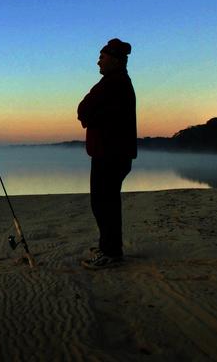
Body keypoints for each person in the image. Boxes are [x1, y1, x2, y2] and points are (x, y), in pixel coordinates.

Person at [77, 38, 137, 269]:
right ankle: (109, 246)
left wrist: (88, 116)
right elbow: (90, 110)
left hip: (110, 154)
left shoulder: (114, 83)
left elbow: (85, 108)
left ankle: (111, 252)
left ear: (114, 59)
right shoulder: (117, 82)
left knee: (104, 203)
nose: (98, 62)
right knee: (105, 202)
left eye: (102, 57)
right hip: (113, 153)